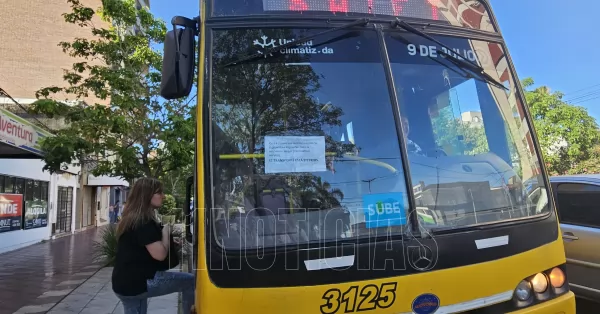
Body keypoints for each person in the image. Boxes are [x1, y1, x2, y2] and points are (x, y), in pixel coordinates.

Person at [112, 177, 195, 314]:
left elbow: (141, 246)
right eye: (159, 192)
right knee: (190, 282)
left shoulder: (133, 218)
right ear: (147, 195)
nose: (163, 196)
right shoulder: (142, 222)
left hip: (124, 282)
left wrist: (168, 242)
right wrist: (166, 232)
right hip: (138, 283)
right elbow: (161, 255)